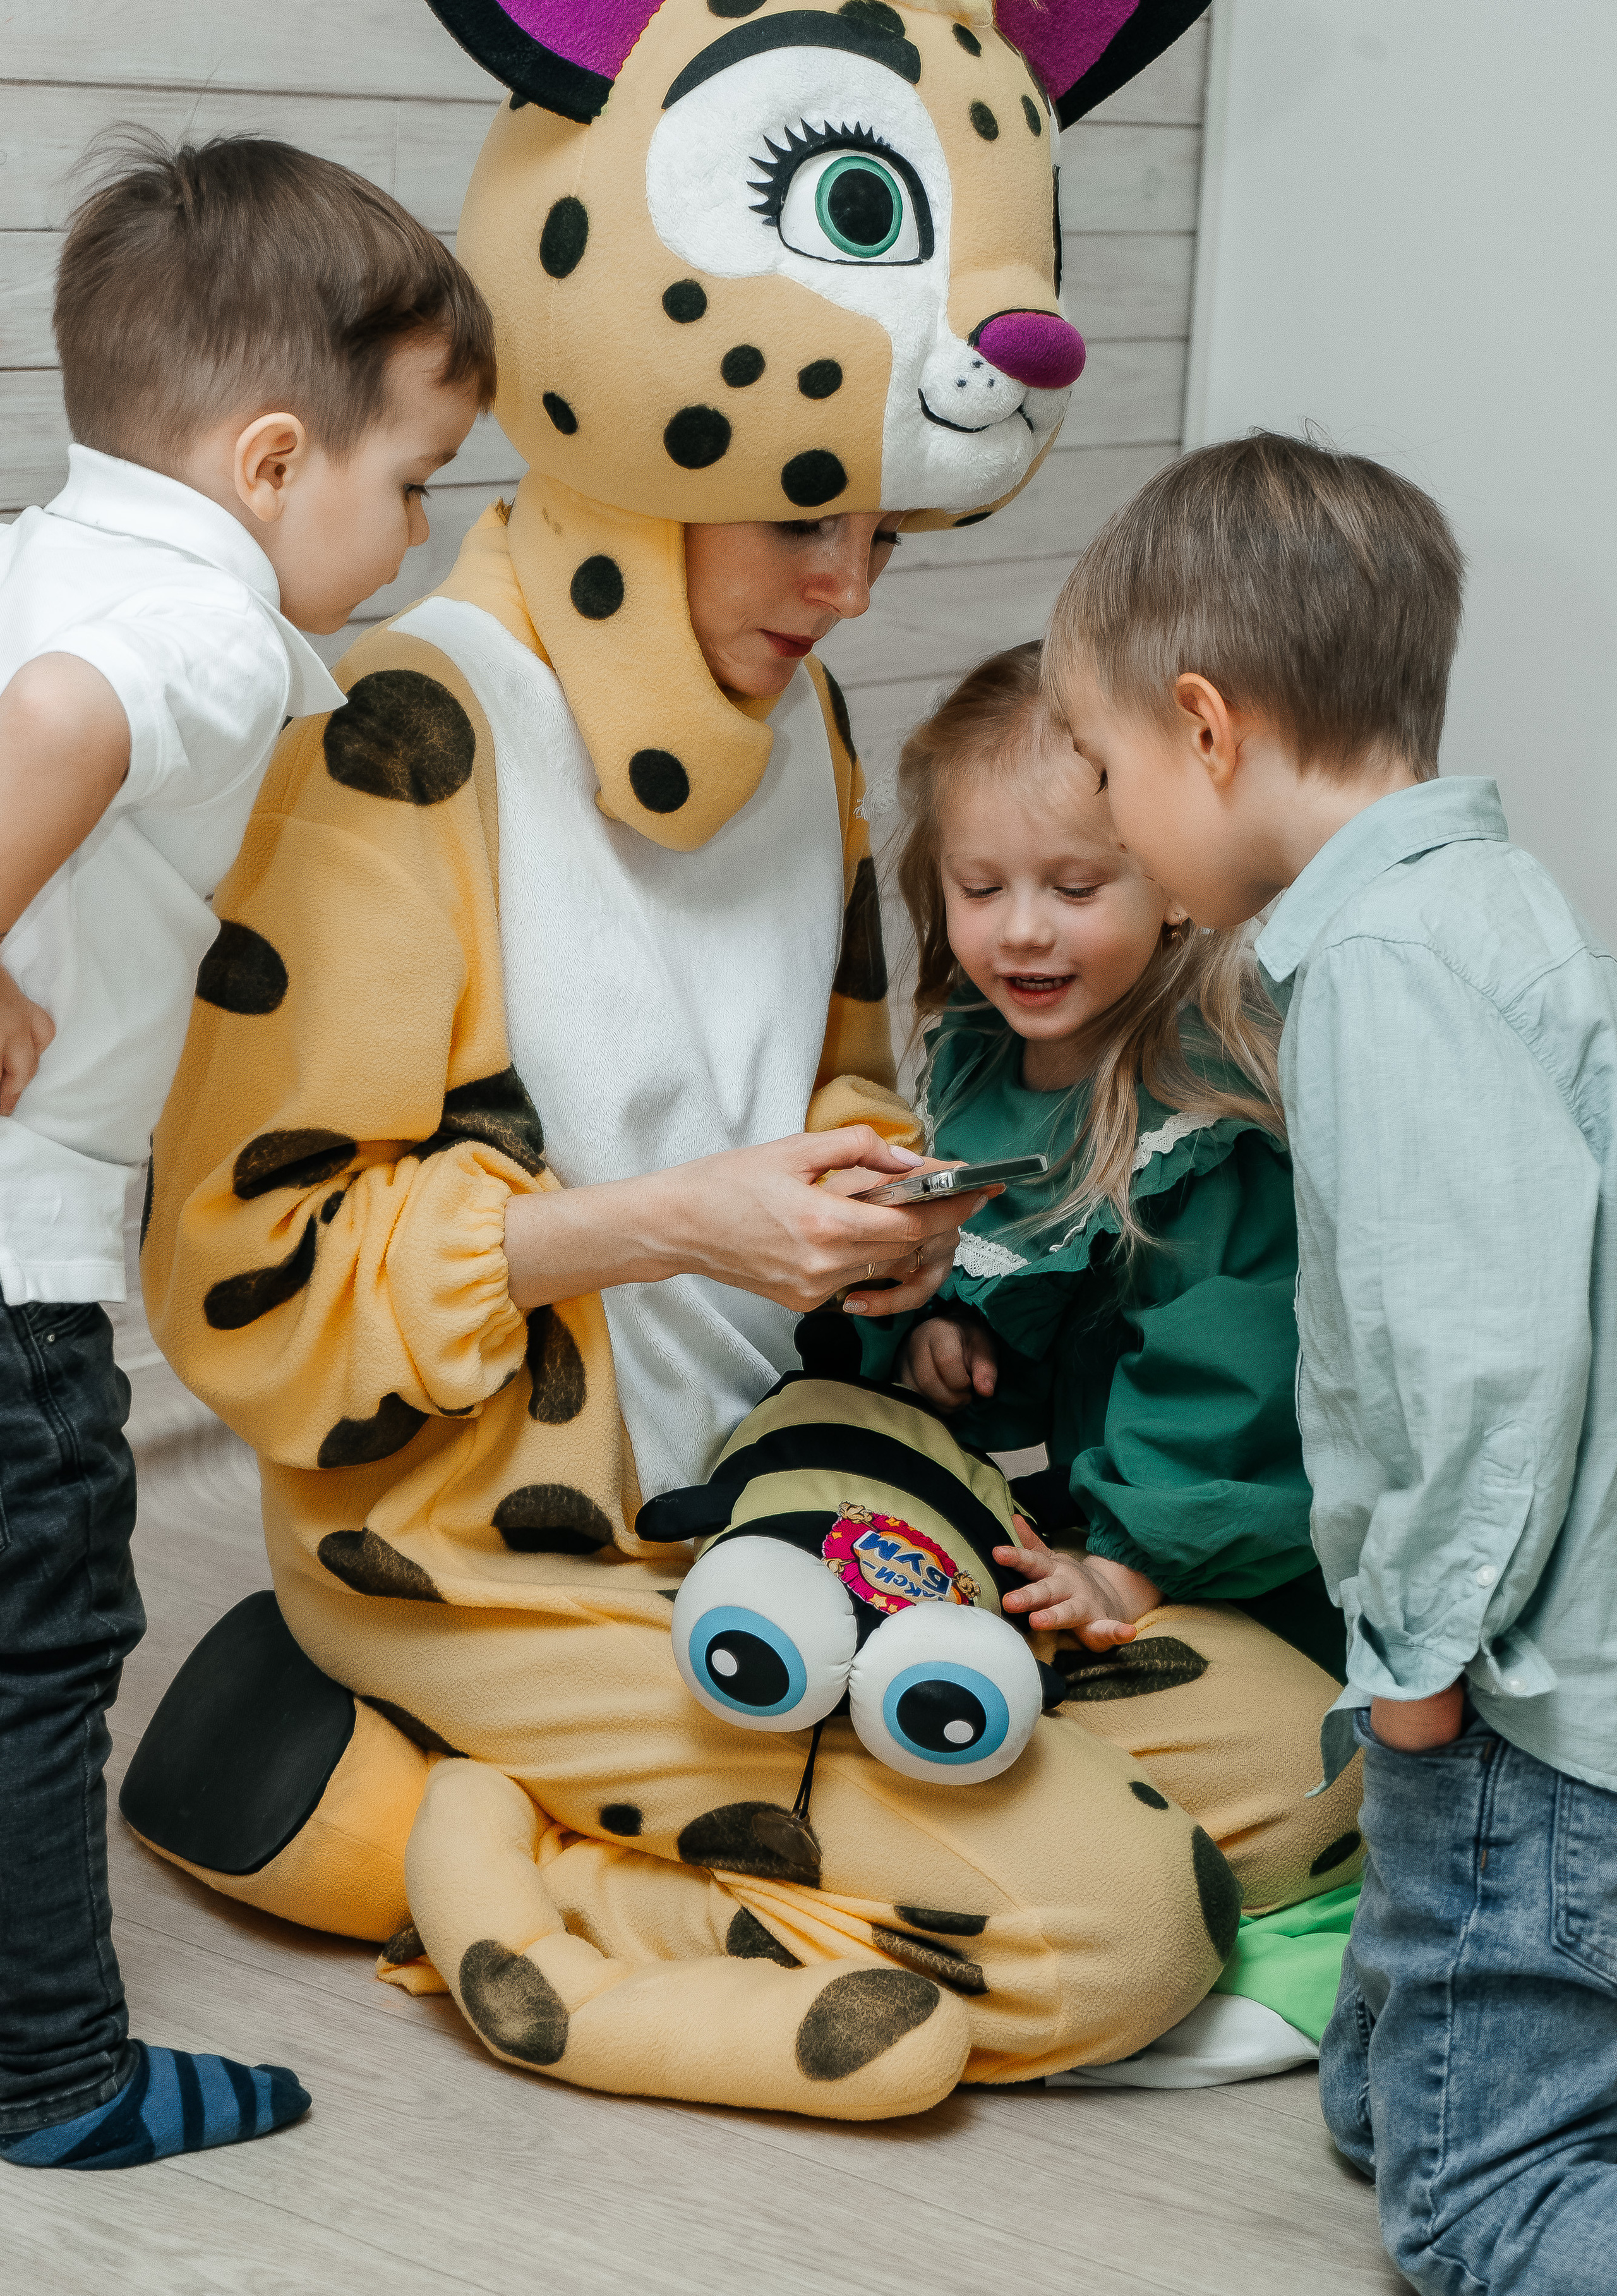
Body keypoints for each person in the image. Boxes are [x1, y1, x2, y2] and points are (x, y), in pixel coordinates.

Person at [124, 0, 1259, 2120]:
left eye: (881, 543)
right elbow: (246, 1291)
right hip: (495, 1549)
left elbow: (834, 1069)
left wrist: (865, 1219)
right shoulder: (409, 743)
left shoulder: (805, 735)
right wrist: (672, 1229)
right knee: (1122, 1928)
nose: (842, 590)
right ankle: (459, 1855)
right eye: (798, 528)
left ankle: (377, 1799)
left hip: (785, 1487)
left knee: (1283, 1759)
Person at [1043, 428, 1617, 2296]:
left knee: (1476, 2215)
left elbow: (1483, 1358)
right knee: (1383, 2104)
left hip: (1530, 1691)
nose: (1113, 831)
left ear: (1207, 727)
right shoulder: (1477, 898)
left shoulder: (1379, 971)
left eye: (1108, 773)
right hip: (1524, 1663)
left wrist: (1428, 1665)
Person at [0, 131, 496, 2169]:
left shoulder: (40, 544)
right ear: (275, 465)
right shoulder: (188, 629)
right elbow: (62, 721)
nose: (413, 541)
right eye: (411, 486)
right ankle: (53, 2079)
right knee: (48, 1661)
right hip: (16, 1280)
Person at [850, 641, 1365, 2076]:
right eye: (979, 888)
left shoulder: (1204, 1104)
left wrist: (1133, 1560)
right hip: (1054, 1521)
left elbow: (1226, 1370)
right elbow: (967, 1248)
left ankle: (1278, 1910)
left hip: (1207, 1544)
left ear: (1171, 887)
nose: (1022, 933)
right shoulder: (967, 1057)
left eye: (1076, 890)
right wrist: (934, 1320)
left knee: (1249, 1732)